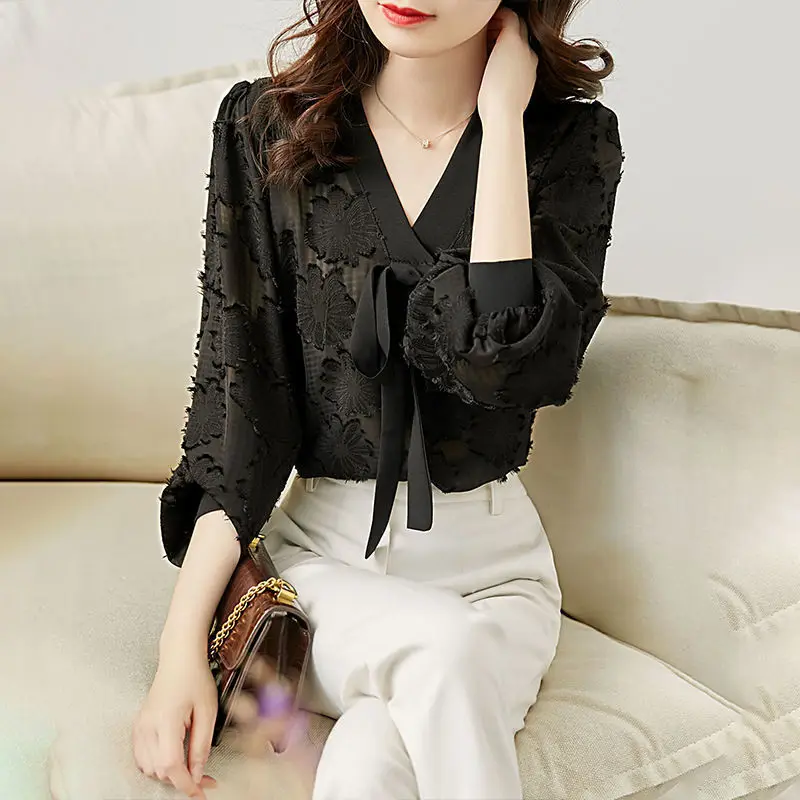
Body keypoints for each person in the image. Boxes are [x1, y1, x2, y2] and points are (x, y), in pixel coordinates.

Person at [132, 0, 625, 797]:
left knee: (368, 762)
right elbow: (239, 413)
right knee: (445, 650)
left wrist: (502, 123)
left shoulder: (571, 142)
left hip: (498, 580)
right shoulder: (266, 127)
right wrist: (178, 648)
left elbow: (510, 368)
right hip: (321, 573)